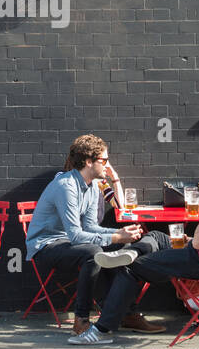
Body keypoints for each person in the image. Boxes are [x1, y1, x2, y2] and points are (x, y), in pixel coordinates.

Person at [69, 152, 199, 345]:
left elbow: (198, 243)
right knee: (157, 236)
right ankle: (129, 252)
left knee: (131, 269)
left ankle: (101, 330)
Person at [25, 134, 167, 334]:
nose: (107, 166)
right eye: (104, 160)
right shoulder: (66, 186)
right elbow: (75, 235)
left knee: (124, 247)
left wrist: (120, 233)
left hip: (67, 242)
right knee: (93, 252)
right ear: (88, 162)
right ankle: (81, 319)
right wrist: (115, 237)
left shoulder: (92, 186)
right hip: (46, 246)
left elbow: (91, 227)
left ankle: (126, 313)